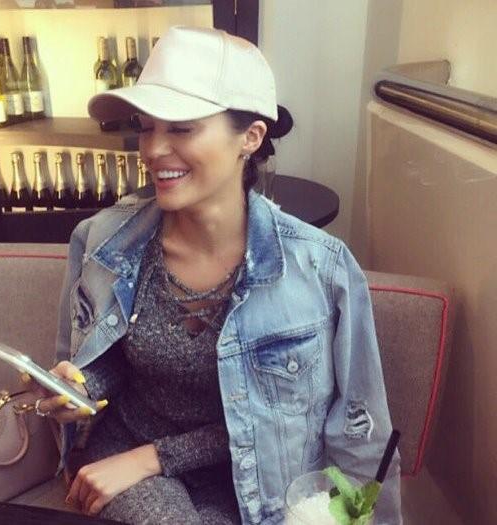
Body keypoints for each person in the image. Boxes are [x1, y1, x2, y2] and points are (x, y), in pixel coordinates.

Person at [28, 25, 402, 524]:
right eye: (146, 127)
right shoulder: (102, 242)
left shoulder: (321, 270)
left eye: (181, 128)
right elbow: (107, 361)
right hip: (128, 460)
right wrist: (79, 386)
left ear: (251, 137)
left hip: (263, 477)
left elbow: (360, 432)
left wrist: (360, 517)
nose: (152, 150)